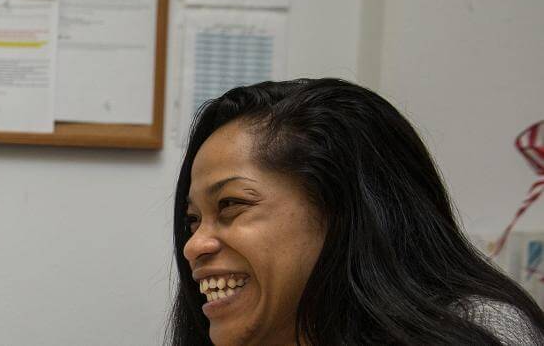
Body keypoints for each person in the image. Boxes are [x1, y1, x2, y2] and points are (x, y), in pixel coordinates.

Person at [169, 78, 544, 345]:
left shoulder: (477, 328)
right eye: (192, 220)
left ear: (342, 210)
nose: (193, 245)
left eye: (231, 205)